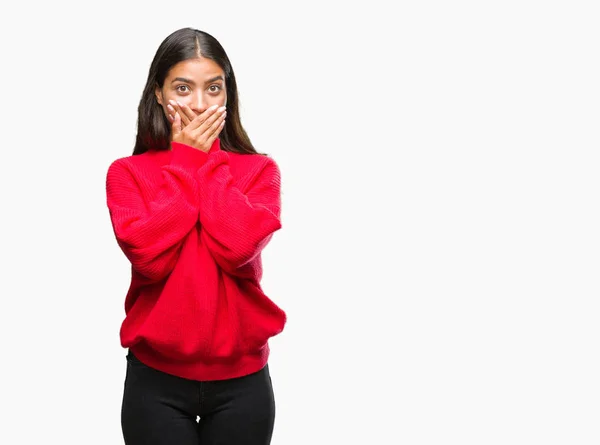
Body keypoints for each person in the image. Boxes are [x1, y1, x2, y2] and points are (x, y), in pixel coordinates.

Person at [105, 27, 287, 445]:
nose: (200, 104)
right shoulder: (126, 173)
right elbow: (149, 259)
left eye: (214, 88)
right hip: (156, 384)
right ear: (158, 94)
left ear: (228, 96)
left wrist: (209, 160)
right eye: (183, 88)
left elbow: (236, 247)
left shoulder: (260, 172)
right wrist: (185, 161)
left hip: (243, 385)